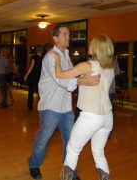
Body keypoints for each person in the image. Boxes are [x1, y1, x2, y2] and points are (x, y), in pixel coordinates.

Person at [27, 24, 100, 180]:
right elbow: (61, 79)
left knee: (70, 143)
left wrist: (83, 78)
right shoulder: (50, 57)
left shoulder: (66, 55)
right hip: (50, 108)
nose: (68, 37)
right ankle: (33, 164)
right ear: (55, 38)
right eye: (65, 34)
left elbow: (71, 76)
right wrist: (82, 82)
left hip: (66, 108)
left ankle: (71, 174)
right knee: (43, 140)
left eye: (68, 34)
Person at [52, 35, 114, 180]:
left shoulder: (88, 65)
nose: (89, 45)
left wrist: (56, 59)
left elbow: (60, 74)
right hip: (107, 117)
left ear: (98, 48)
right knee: (99, 152)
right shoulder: (109, 67)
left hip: (91, 117)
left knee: (72, 150)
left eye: (91, 43)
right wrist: (82, 80)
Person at [24, 45, 43, 110]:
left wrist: (26, 75)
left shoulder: (33, 57)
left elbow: (31, 67)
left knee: (31, 91)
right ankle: (41, 106)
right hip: (39, 76)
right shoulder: (43, 58)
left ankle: (30, 106)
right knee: (39, 92)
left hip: (32, 76)